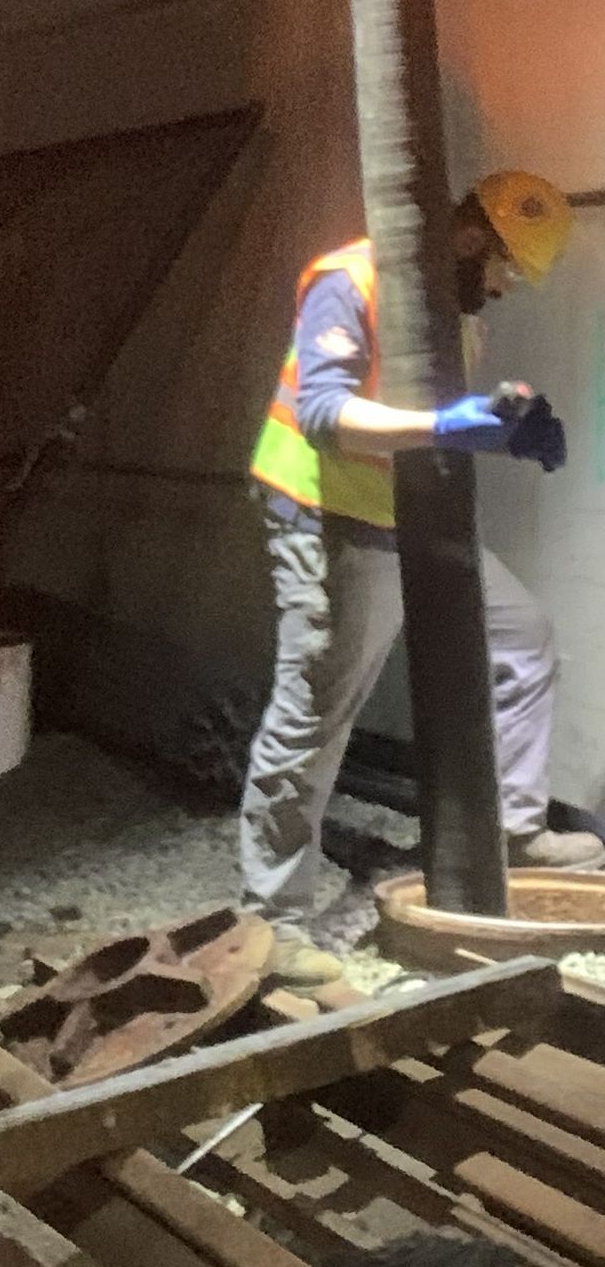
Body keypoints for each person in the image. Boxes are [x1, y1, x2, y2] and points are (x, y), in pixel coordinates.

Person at [244, 170, 603, 986]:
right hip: (328, 519)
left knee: (523, 641)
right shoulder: (352, 279)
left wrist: (505, 427)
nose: (508, 287)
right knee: (314, 718)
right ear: (474, 239)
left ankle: (512, 832)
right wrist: (449, 425)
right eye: (506, 266)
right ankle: (271, 919)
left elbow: (431, 423)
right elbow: (327, 414)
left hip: (407, 520)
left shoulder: (453, 315)